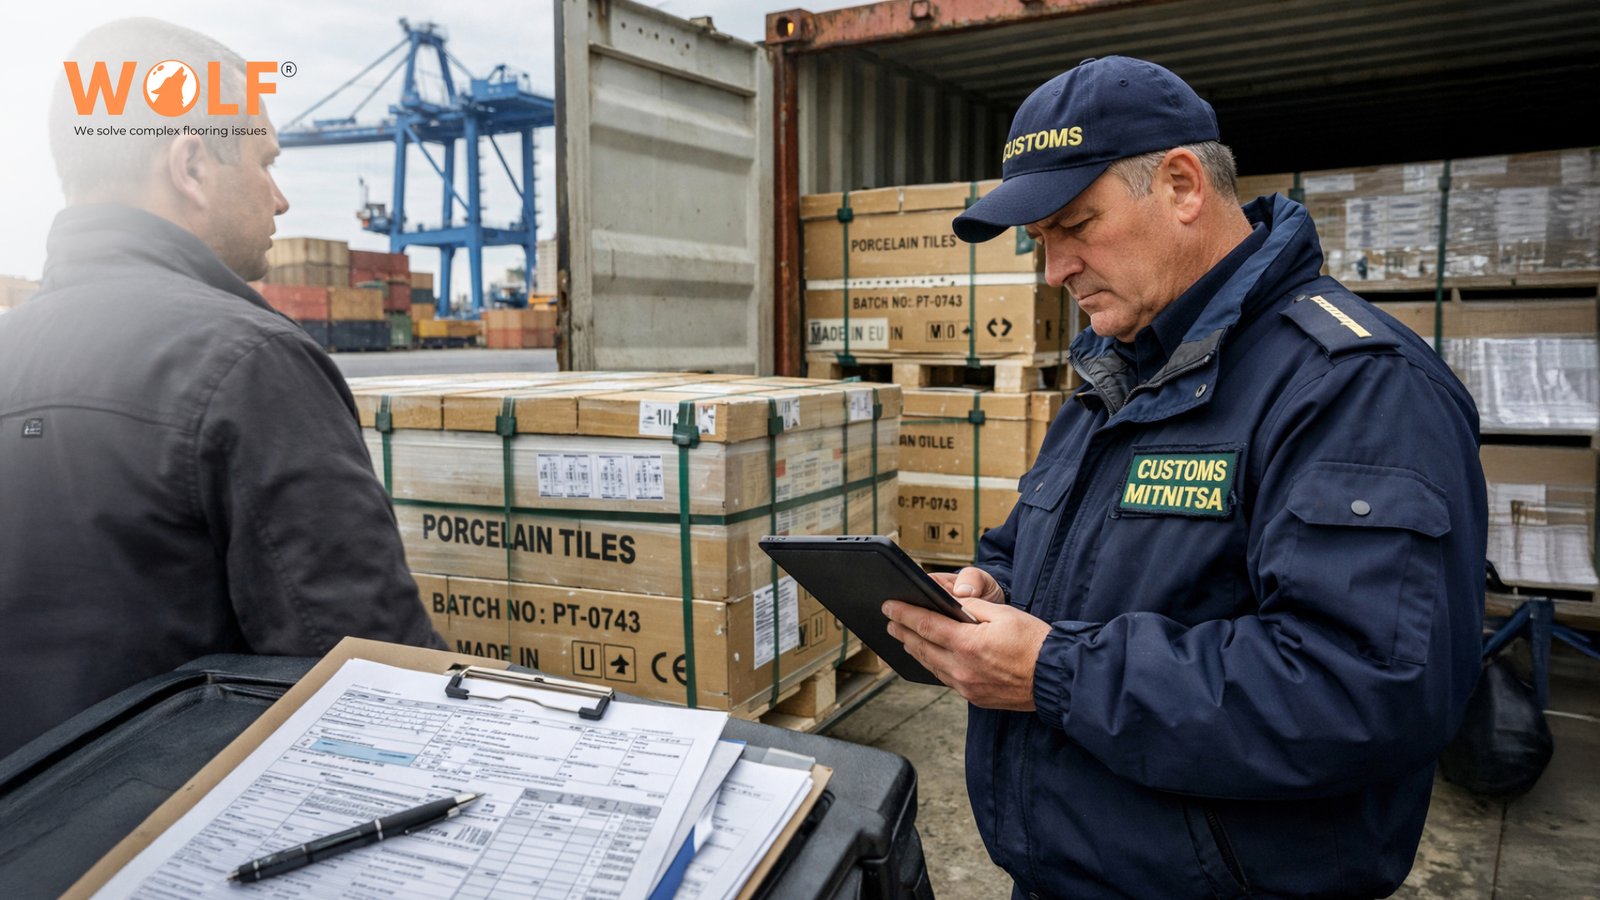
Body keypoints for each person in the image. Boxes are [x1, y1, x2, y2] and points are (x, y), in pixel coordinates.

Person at [883, 56, 1486, 897]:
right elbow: (1040, 548)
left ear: (1180, 184)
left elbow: (1366, 688)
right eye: (1040, 241)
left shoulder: (1357, 388)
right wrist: (992, 587)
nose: (1054, 270)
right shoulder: (1115, 367)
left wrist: (1054, 671)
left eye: (1075, 226)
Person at [0, 18, 443, 760]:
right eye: (267, 163)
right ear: (192, 164)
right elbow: (373, 674)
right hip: (174, 846)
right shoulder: (249, 362)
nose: (280, 199)